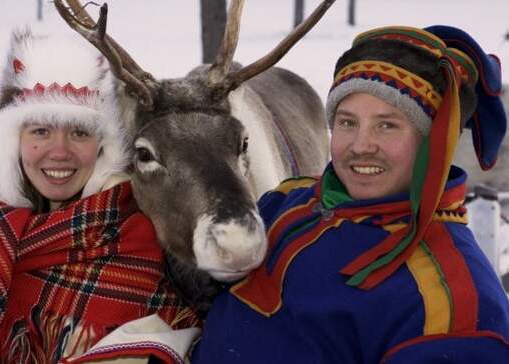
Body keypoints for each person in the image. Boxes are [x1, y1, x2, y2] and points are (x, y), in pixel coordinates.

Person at [191, 25, 509, 363]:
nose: (360, 146)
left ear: (435, 141)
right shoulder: (287, 203)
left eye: (387, 125)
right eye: (347, 123)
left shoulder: (456, 308)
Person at [0, 29, 199, 363]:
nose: (60, 152)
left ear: (102, 147)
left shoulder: (139, 236)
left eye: (79, 132)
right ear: (14, 142)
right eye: (41, 131)